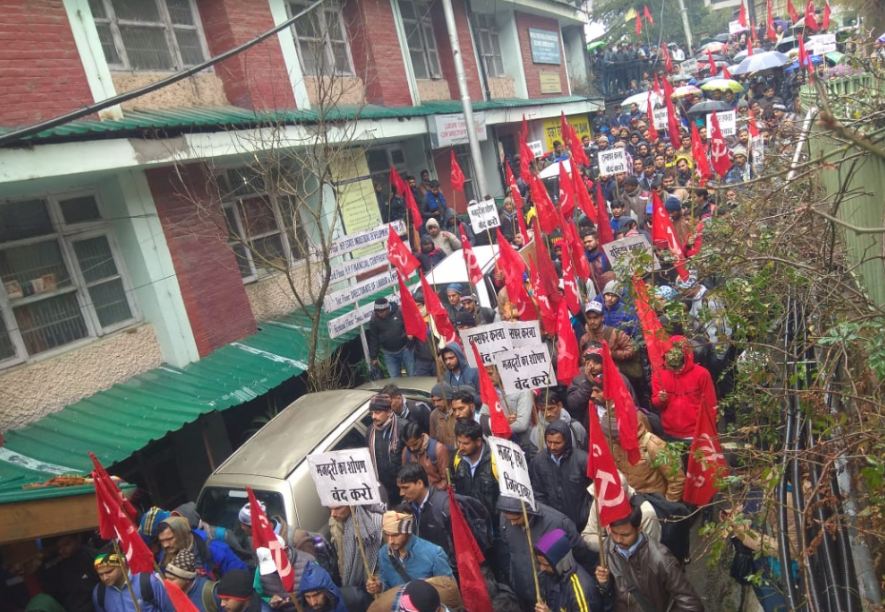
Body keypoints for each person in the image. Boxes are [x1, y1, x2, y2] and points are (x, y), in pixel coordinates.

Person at [595, 507, 704, 612]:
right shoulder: (607, 546)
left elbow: (692, 605)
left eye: (625, 535)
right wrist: (604, 583)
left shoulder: (661, 559)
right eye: (614, 533)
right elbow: (609, 596)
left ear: (639, 529)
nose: (618, 540)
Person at [498, 496, 598, 609]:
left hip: (550, 596)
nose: (512, 523)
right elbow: (506, 550)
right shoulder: (505, 520)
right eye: (507, 518)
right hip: (526, 599)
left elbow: (583, 556)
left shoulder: (559, 523)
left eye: (516, 519)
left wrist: (602, 586)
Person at [396, 464, 491, 568]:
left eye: (405, 488)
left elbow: (463, 548)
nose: (401, 493)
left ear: (419, 483)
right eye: (400, 488)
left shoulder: (445, 508)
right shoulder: (407, 507)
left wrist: (445, 570)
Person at [601, 415, 686, 503]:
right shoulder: (612, 443)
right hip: (629, 503)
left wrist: (667, 505)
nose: (613, 439)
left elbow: (677, 480)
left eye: (616, 436)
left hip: (654, 504)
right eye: (610, 436)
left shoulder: (653, 446)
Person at [529, 418, 592, 531]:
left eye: (557, 443)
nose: (552, 447)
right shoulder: (539, 460)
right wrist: (546, 517)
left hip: (582, 524)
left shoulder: (583, 460)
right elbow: (538, 492)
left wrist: (586, 514)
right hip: (552, 524)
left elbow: (593, 491)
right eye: (549, 442)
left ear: (567, 441)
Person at [651, 336, 717, 443]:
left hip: (696, 433)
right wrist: (660, 399)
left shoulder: (701, 374)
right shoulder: (659, 375)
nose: (672, 355)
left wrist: (710, 432)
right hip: (671, 434)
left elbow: (710, 405)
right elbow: (656, 403)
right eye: (669, 351)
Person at [368, 511, 453, 594]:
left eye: (395, 535)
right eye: (387, 535)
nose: (390, 541)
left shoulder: (435, 554)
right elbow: (386, 584)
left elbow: (449, 590)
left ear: (408, 532)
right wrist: (379, 586)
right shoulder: (383, 553)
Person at [534, 529, 612, 612]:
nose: (542, 568)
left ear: (561, 562)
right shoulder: (552, 574)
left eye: (546, 565)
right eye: (540, 563)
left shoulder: (580, 591)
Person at [158, 517, 247, 579]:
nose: (165, 545)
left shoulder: (215, 550)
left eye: (169, 539)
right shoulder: (164, 556)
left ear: (182, 534)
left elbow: (241, 577)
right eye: (162, 541)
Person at [450, 420, 499, 521]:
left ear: (478, 441)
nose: (461, 447)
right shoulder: (456, 458)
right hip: (467, 520)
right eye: (459, 442)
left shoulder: (495, 461)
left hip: (492, 524)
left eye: (466, 443)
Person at [328, 504, 383, 592]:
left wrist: (378, 582)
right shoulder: (334, 522)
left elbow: (382, 559)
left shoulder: (373, 523)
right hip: (348, 580)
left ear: (351, 505)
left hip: (372, 583)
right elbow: (341, 555)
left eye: (338, 508)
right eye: (330, 509)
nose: (333, 514)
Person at [92, 552, 171, 612]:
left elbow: (169, 609)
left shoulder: (149, 580)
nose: (105, 578)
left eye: (109, 572)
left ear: (123, 565)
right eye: (100, 574)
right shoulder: (99, 591)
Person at [38, 534, 98, 612]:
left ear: (78, 539)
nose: (61, 550)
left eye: (66, 545)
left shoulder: (92, 557)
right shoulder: (56, 566)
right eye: (58, 547)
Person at [367, 394, 406, 504]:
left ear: (388, 412)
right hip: (383, 486)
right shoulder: (370, 431)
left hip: (402, 485)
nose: (374, 416)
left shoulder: (403, 427)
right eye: (371, 413)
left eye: (377, 412)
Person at [368, 298, 416, 378]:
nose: (380, 314)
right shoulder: (374, 319)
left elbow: (410, 327)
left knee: (412, 375)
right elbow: (374, 338)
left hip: (405, 349)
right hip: (389, 353)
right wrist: (374, 357)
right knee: (394, 378)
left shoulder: (399, 311)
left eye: (382, 312)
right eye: (378, 312)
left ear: (387, 308)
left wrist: (410, 344)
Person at [529, 388, 588, 454]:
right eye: (543, 410)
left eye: (551, 408)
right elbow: (533, 457)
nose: (548, 414)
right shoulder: (536, 431)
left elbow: (585, 453)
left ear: (559, 405)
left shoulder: (576, 427)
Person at [401, 421, 451, 491]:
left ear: (422, 436)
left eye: (415, 444)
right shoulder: (406, 452)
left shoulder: (439, 450)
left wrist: (428, 493)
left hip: (436, 494)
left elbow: (447, 480)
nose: (412, 449)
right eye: (409, 446)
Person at [428, 382, 457, 449]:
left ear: (448, 398)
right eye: (434, 401)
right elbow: (433, 440)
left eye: (439, 400)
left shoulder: (458, 413)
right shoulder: (434, 415)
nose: (436, 404)